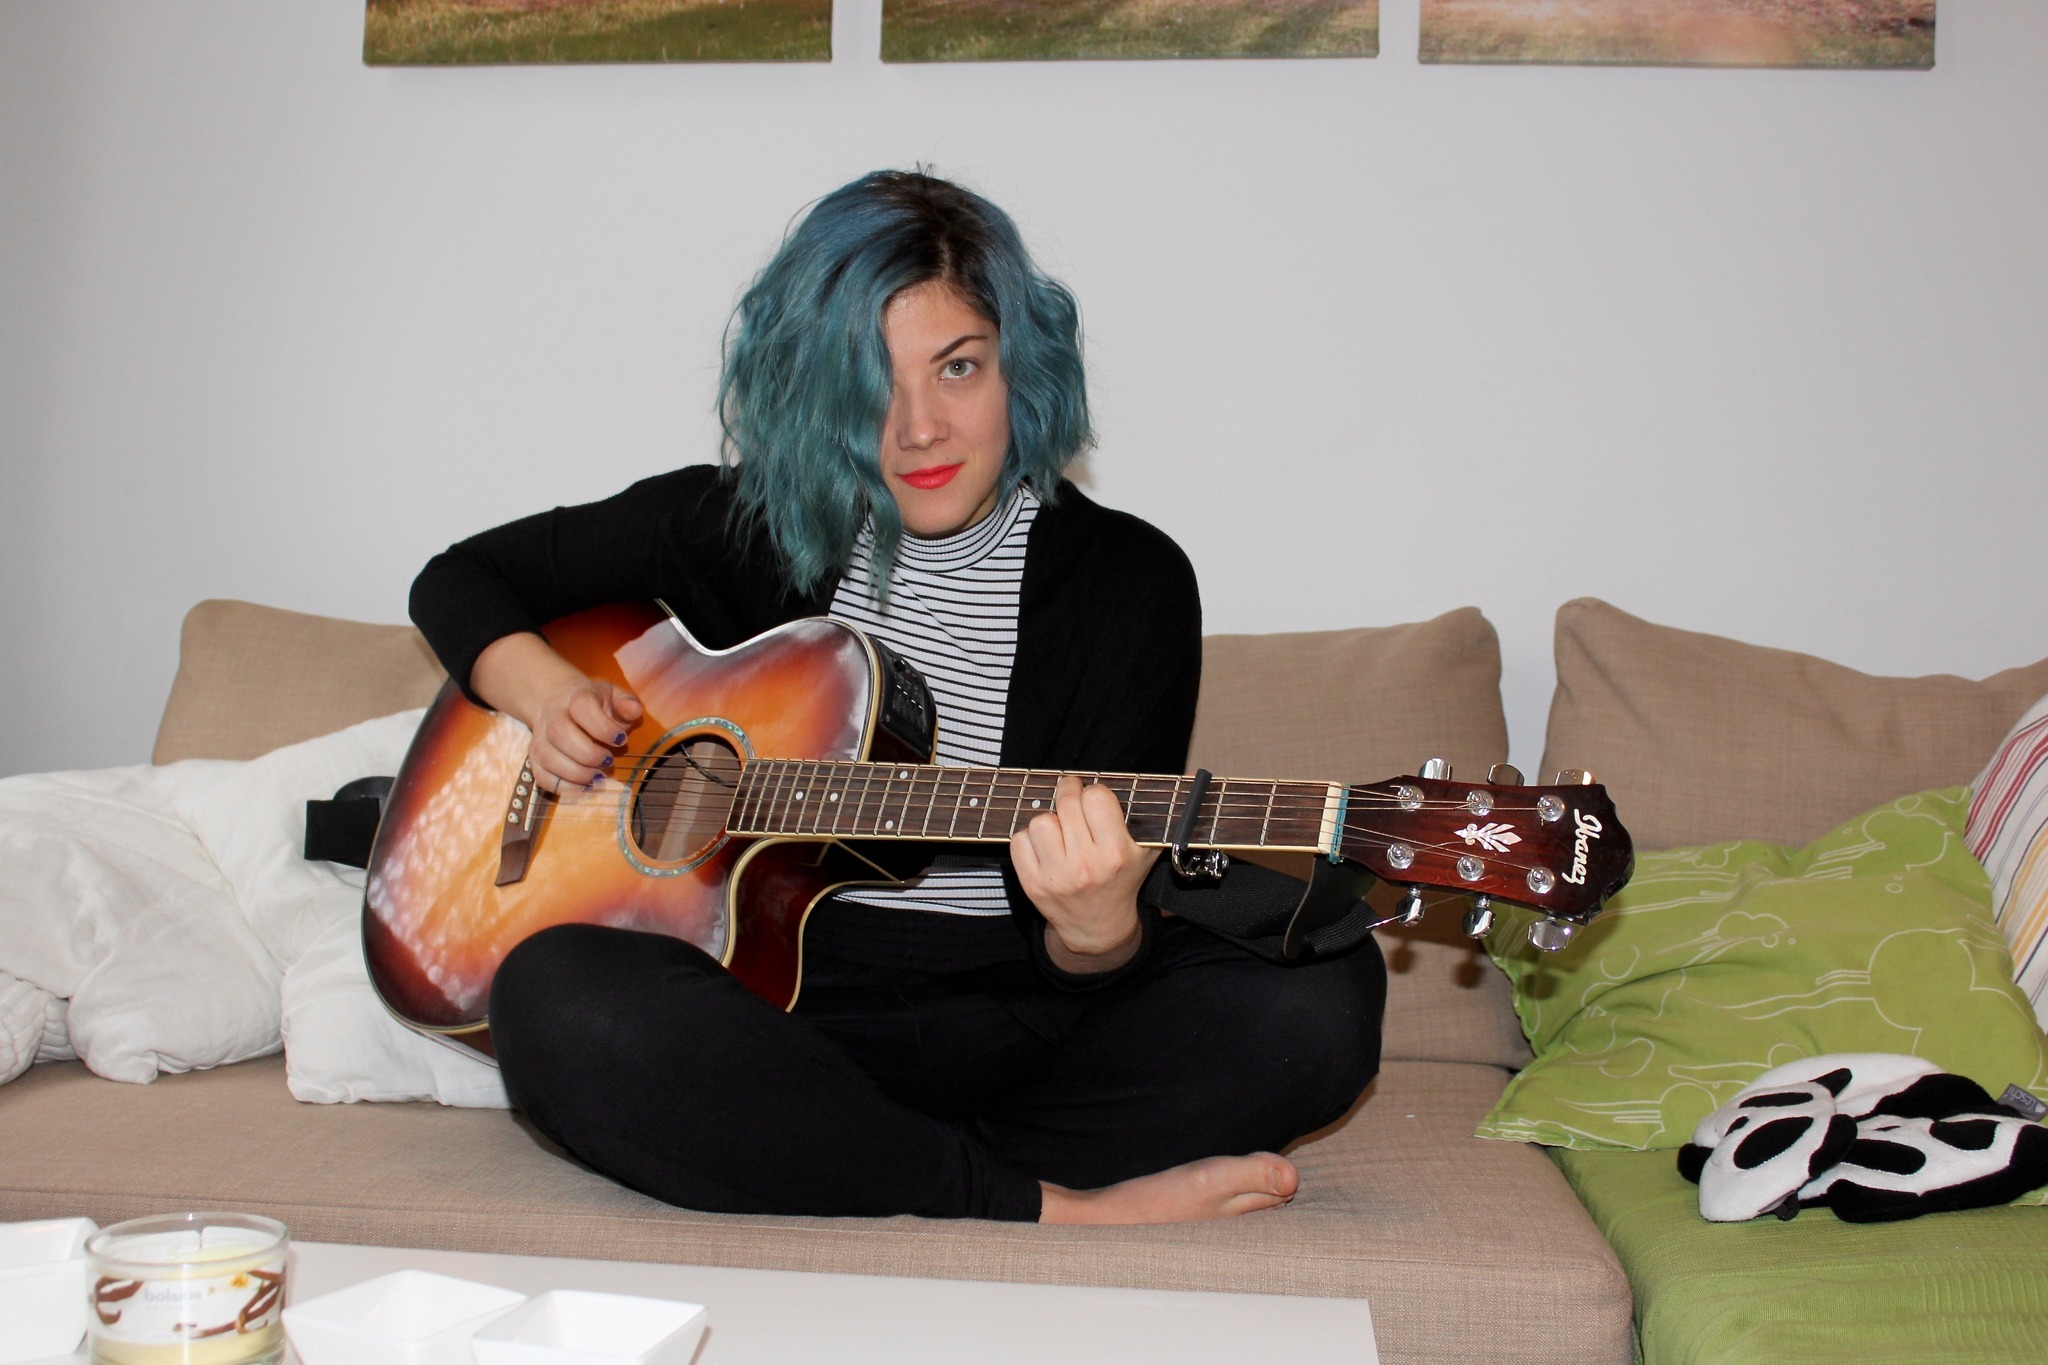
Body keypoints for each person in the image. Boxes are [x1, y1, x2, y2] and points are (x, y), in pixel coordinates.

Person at [409, 169, 1386, 1224]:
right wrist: (547, 691)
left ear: (1020, 365)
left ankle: (849, 1160)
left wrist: (1096, 930)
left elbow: (1088, 954)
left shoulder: (1129, 583)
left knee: (1320, 1004)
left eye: (957, 367)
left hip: (1015, 1019)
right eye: (870, 381)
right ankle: (1048, 1204)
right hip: (776, 1013)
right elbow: (459, 578)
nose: (919, 428)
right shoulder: (739, 527)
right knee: (554, 998)